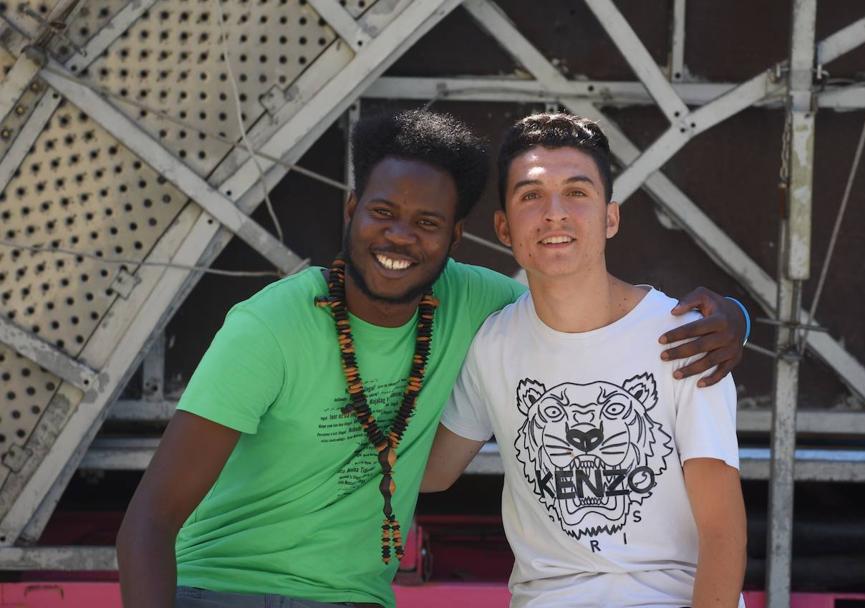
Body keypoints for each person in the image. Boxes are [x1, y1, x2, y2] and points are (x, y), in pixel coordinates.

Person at [116, 110, 749, 608]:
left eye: (426, 222)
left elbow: (577, 300)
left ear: (454, 238)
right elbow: (148, 521)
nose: (399, 236)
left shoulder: (500, 314)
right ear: (352, 211)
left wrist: (734, 319)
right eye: (382, 212)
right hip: (220, 587)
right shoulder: (274, 325)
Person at [422, 113, 746, 607]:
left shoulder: (686, 338)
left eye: (576, 192)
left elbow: (722, 534)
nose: (555, 213)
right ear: (504, 227)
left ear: (610, 218)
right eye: (531, 195)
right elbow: (430, 473)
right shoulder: (492, 345)